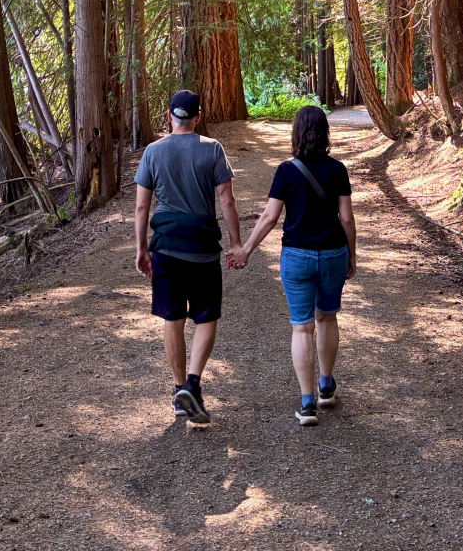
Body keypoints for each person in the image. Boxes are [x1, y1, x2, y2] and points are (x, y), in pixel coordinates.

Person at [228, 104, 355, 427]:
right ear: (325, 133)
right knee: (327, 318)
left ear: (296, 133)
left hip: (297, 257)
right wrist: (351, 254)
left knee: (302, 326)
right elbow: (346, 218)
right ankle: (326, 384)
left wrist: (246, 250)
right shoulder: (338, 170)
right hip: (332, 255)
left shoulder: (286, 171)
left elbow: (270, 217)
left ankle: (307, 402)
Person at [134, 90, 241, 427]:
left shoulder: (153, 152)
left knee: (173, 317)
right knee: (206, 317)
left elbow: (141, 206)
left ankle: (180, 389)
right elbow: (226, 202)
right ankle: (193, 383)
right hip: (202, 247)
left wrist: (141, 248)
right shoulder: (212, 149)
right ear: (197, 117)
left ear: (169, 116)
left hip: (165, 246)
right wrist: (237, 243)